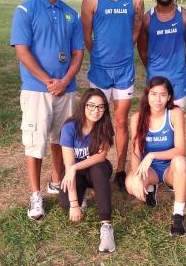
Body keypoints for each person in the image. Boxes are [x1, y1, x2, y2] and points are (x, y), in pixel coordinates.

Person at [10, 0, 84, 220]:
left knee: (61, 139)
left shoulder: (71, 14)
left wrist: (65, 81)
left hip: (66, 89)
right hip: (36, 90)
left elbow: (78, 53)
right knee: (35, 142)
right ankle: (35, 195)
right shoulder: (25, 10)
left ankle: (56, 180)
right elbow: (22, 51)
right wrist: (48, 80)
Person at [81, 0, 144, 191]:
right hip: (100, 70)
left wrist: (126, 48)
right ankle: (95, 165)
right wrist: (99, 55)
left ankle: (119, 168)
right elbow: (87, 35)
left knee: (120, 120)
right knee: (96, 120)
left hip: (125, 71)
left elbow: (136, 28)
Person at [125, 76, 186, 237]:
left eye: (162, 94)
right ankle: (151, 187)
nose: (157, 99)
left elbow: (180, 150)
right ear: (147, 95)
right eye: (153, 94)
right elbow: (135, 152)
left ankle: (178, 214)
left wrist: (152, 155)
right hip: (150, 170)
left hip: (170, 167)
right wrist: (138, 178)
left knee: (181, 162)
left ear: (169, 97)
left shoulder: (174, 113)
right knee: (131, 185)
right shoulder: (137, 118)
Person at [59, 88, 116, 252]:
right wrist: (74, 204)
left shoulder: (104, 125)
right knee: (65, 203)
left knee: (98, 169)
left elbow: (101, 156)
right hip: (75, 172)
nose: (95, 111)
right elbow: (69, 166)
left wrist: (75, 166)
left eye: (100, 107)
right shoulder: (70, 127)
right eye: (91, 105)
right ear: (83, 106)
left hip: (96, 169)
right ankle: (81, 196)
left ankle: (106, 225)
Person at [137, 0, 186, 109]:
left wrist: (180, 67)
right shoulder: (146, 20)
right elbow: (142, 50)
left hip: (178, 80)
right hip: (155, 78)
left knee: (177, 121)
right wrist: (152, 68)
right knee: (155, 122)